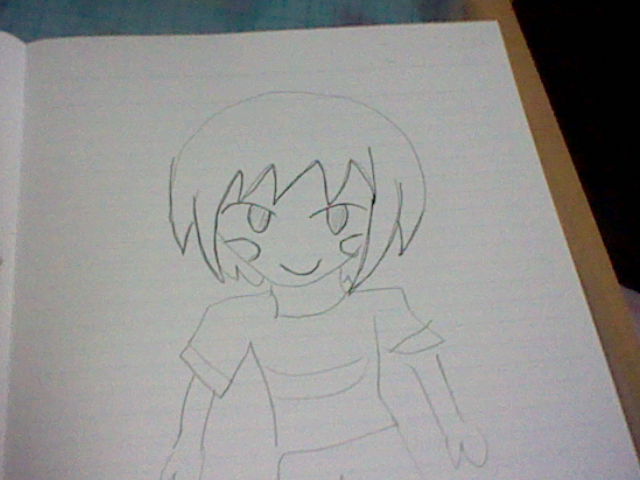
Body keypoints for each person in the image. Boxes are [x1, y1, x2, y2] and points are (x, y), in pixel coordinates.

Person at [161, 92, 486, 479]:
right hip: (302, 460)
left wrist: (454, 424)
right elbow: (204, 387)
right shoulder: (236, 318)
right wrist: (187, 446)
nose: (299, 248)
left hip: (381, 450)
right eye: (258, 219)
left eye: (337, 217)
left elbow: (425, 366)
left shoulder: (380, 306)